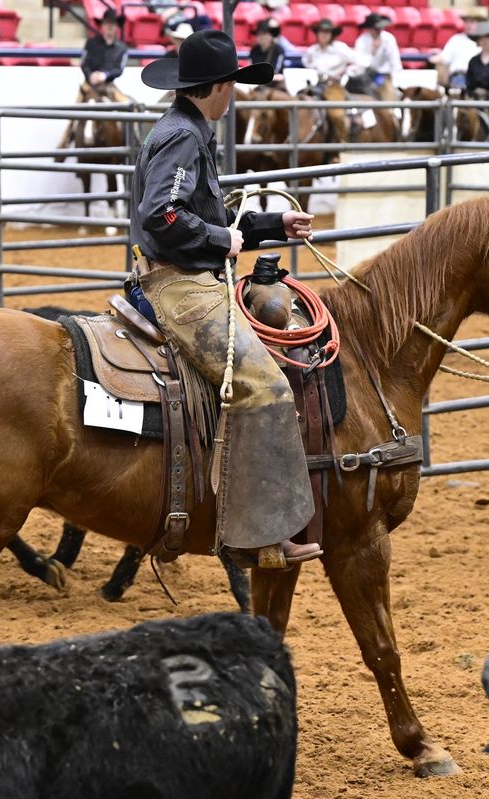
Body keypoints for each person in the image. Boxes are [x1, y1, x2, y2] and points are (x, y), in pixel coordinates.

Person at [130, 29, 322, 570]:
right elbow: (162, 216)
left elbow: (206, 216)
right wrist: (223, 241)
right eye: (232, 83)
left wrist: (269, 225)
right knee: (265, 386)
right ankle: (257, 535)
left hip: (183, 276)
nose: (235, 92)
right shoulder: (185, 137)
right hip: (182, 287)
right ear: (217, 86)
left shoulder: (184, 129)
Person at [430, 7, 483, 92]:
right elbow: (444, 57)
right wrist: (434, 58)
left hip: (478, 79)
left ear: (480, 24)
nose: (468, 25)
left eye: (472, 22)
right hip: (457, 78)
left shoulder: (485, 41)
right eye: (467, 22)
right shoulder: (456, 39)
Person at [351, 12, 400, 95]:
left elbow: (395, 61)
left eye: (380, 28)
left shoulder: (389, 39)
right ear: (369, 28)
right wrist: (372, 52)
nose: (378, 31)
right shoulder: (362, 41)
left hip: (385, 76)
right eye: (375, 28)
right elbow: (361, 64)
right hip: (365, 77)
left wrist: (395, 81)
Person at [81, 10, 128, 86]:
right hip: (89, 83)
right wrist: (90, 75)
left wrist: (105, 75)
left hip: (108, 85)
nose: (109, 26)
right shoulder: (91, 43)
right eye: (107, 23)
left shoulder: (122, 48)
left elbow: (119, 69)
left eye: (112, 23)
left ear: (117, 27)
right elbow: (84, 64)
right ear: (102, 25)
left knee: (123, 98)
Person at [302, 18, 354, 84]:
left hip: (337, 85)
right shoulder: (311, 51)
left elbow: (356, 63)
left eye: (327, 32)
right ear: (317, 34)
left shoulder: (341, 48)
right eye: (321, 31)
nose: (324, 35)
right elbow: (306, 66)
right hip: (317, 84)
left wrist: (344, 72)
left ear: (332, 35)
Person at [248, 18, 286, 85]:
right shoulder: (254, 50)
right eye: (258, 34)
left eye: (264, 33)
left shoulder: (278, 50)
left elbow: (276, 72)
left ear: (271, 35)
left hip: (274, 85)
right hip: (257, 84)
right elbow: (252, 70)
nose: (261, 37)